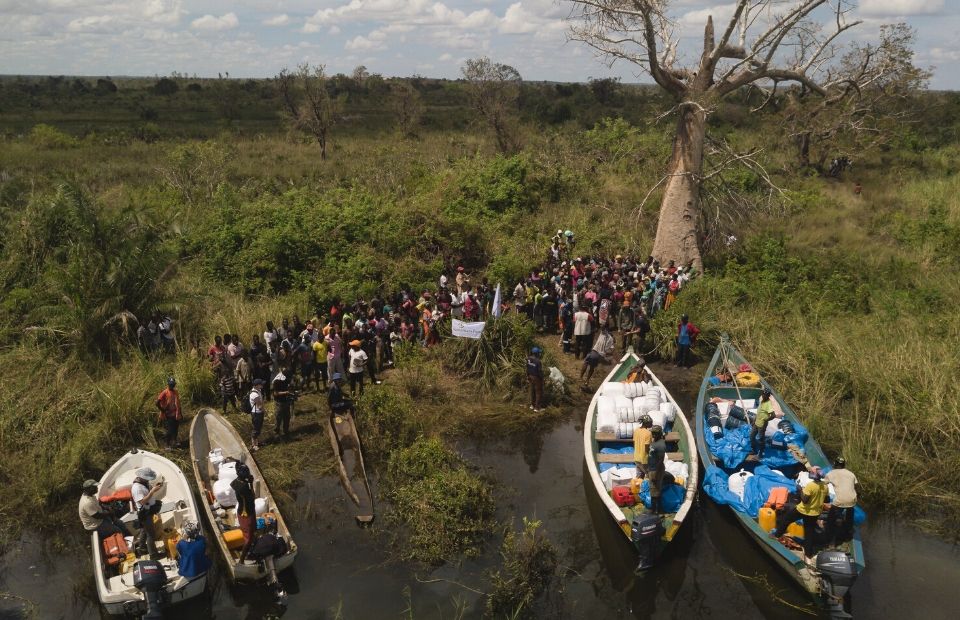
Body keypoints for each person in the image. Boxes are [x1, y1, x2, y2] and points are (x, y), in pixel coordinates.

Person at [773, 466, 830, 559]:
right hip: (815, 513)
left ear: (814, 475)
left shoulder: (811, 485)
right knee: (809, 533)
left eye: (811, 472)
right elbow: (827, 499)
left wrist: (800, 490)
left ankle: (777, 535)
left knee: (786, 519)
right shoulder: (824, 485)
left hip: (803, 510)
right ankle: (808, 553)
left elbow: (805, 500)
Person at [824, 457, 860, 544]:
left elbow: (823, 485)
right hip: (852, 500)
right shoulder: (851, 474)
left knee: (831, 520)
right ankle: (848, 536)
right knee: (849, 518)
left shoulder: (831, 473)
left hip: (840, 501)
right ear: (844, 465)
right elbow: (857, 487)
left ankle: (831, 541)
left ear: (835, 464)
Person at [131, 467, 164, 559]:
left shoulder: (143, 482)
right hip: (145, 513)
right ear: (142, 477)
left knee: (144, 531)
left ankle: (141, 548)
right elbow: (142, 501)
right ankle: (154, 555)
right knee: (151, 534)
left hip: (148, 510)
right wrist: (153, 491)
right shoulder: (137, 488)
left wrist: (154, 488)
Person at [231, 463, 257, 565]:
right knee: (248, 539)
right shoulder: (245, 487)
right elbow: (253, 496)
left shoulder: (235, 482)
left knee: (251, 531)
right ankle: (242, 559)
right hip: (247, 514)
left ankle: (251, 542)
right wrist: (251, 483)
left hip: (241, 511)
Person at [155, 376, 182, 449]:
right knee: (169, 430)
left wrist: (180, 414)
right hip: (168, 415)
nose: (172, 385)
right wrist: (162, 410)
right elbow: (157, 402)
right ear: (168, 384)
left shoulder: (175, 392)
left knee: (176, 428)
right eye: (171, 384)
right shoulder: (165, 392)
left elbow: (178, 403)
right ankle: (166, 444)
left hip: (175, 414)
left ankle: (174, 441)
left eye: (173, 384)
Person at [751, 388, 776, 458]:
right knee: (752, 436)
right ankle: (753, 449)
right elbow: (759, 412)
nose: (763, 395)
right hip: (756, 423)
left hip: (762, 425)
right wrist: (754, 420)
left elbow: (773, 415)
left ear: (768, 396)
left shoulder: (768, 404)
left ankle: (760, 454)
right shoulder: (762, 401)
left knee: (760, 439)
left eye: (765, 395)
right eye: (763, 394)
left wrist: (766, 420)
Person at [647, 425, 666, 514]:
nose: (652, 434)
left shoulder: (661, 445)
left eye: (654, 433)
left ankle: (655, 510)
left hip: (656, 470)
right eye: (652, 432)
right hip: (652, 469)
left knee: (655, 490)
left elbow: (660, 460)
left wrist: (655, 474)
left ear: (658, 434)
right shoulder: (656, 441)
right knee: (653, 489)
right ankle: (655, 509)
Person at [271, 370, 293, 439]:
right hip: (279, 402)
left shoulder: (287, 379)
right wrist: (286, 392)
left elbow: (289, 385)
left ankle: (286, 430)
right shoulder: (277, 381)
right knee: (278, 417)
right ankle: (276, 432)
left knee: (287, 416)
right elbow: (275, 393)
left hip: (286, 400)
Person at [249, 378, 265, 451]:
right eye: (261, 384)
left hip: (259, 412)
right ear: (257, 385)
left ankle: (257, 442)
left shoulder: (258, 390)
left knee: (258, 428)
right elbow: (259, 406)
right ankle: (254, 445)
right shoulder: (254, 394)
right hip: (256, 414)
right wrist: (265, 411)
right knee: (256, 429)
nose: (262, 385)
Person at [526, 346, 544, 412]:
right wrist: (542, 378)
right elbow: (540, 371)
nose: (539, 354)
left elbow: (527, 368)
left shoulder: (528, 359)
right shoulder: (538, 361)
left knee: (532, 391)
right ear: (536, 354)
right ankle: (537, 408)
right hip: (536, 378)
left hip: (530, 376)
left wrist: (527, 376)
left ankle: (532, 405)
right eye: (539, 353)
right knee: (538, 392)